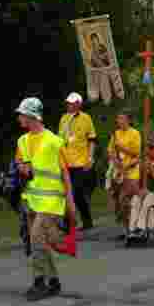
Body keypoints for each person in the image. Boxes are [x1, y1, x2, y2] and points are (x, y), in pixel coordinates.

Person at [14, 97, 76, 301]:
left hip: (51, 201)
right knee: (38, 241)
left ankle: (39, 282)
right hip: (31, 198)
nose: (19, 118)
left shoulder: (54, 141)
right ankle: (54, 281)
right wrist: (22, 167)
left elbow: (65, 173)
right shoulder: (22, 141)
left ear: (32, 116)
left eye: (22, 114)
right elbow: (19, 163)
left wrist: (70, 201)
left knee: (37, 238)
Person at [58, 92, 97, 232]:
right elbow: (59, 140)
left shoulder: (86, 118)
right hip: (66, 162)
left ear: (79, 104)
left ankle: (73, 222)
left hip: (81, 162)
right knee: (70, 192)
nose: (70, 105)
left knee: (75, 193)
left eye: (73, 103)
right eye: (68, 102)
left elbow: (92, 139)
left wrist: (90, 158)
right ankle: (73, 223)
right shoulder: (63, 118)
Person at [107, 112, 143, 240]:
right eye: (118, 118)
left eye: (122, 118)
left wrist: (122, 148)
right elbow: (110, 151)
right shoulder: (115, 133)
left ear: (128, 120)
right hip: (118, 171)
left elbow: (136, 153)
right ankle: (127, 228)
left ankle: (134, 227)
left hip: (131, 171)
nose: (119, 121)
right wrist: (115, 160)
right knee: (118, 200)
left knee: (125, 198)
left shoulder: (135, 133)